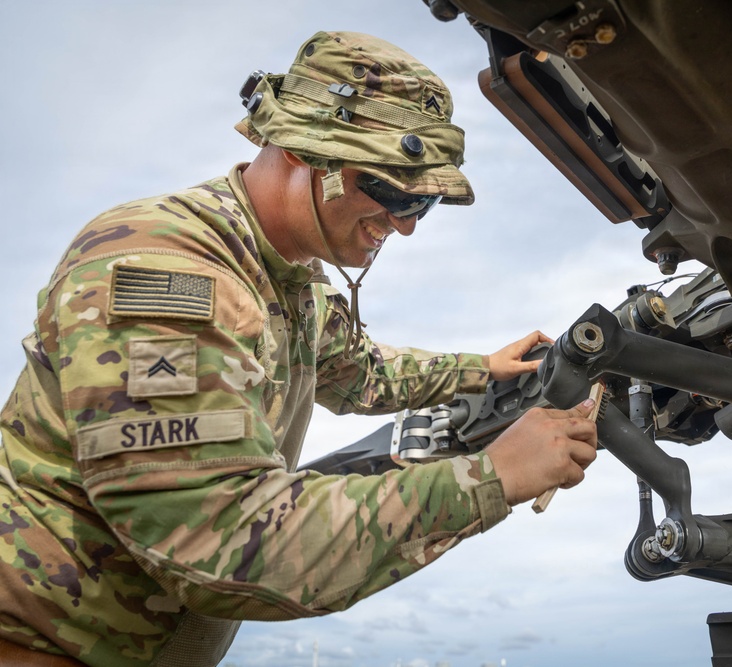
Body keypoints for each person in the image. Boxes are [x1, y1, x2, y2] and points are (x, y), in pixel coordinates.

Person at [0, 31, 598, 667]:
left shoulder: (290, 278)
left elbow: (362, 373)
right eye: (394, 193)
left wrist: (480, 370)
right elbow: (217, 537)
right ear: (301, 151)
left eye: (423, 202)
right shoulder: (165, 272)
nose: (407, 224)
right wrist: (494, 475)